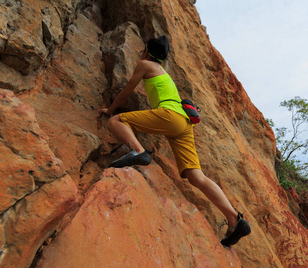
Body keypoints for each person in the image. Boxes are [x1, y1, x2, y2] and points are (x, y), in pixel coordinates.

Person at [99, 35, 250, 247]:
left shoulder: (144, 64)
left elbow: (126, 92)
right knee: (196, 176)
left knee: (116, 121)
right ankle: (235, 219)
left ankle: (138, 151)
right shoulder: (164, 73)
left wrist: (110, 109)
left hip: (169, 115)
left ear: (146, 52)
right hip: (184, 122)